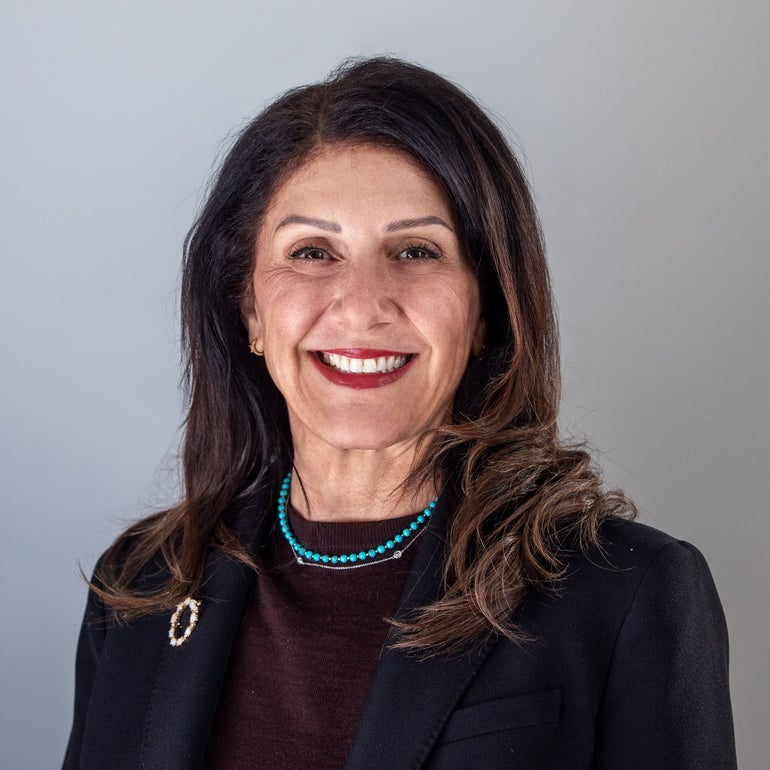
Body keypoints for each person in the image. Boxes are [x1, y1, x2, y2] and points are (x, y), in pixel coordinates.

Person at [63, 57, 736, 769]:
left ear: (486, 310)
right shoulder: (141, 586)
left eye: (416, 250)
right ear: (250, 310)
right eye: (313, 252)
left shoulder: (627, 593)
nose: (362, 302)